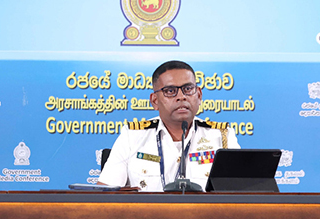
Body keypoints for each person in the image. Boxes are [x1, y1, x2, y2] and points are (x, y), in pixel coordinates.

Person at [97, 60, 239, 191]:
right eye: (170, 91)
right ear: (155, 101)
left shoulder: (222, 136)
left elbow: (239, 193)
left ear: (199, 95)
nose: (181, 96)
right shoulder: (132, 136)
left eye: (188, 89)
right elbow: (106, 195)